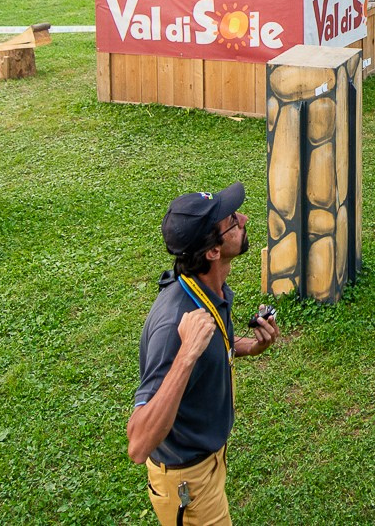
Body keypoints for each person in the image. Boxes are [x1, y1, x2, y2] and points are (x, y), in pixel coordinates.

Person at [127, 184, 279, 526]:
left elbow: (212, 345)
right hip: (188, 484)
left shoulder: (206, 288)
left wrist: (250, 345)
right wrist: (185, 356)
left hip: (209, 464)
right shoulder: (174, 327)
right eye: (232, 221)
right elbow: (138, 444)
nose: (244, 219)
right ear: (212, 251)